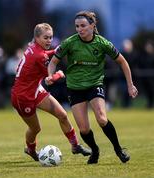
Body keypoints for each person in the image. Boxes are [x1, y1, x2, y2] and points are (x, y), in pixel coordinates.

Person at [46, 11, 138, 164]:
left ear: (92, 25)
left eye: (83, 26)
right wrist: (50, 75)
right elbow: (53, 61)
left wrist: (130, 84)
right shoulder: (70, 42)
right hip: (74, 88)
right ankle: (95, 151)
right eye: (77, 26)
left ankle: (118, 149)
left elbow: (123, 62)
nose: (79, 29)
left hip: (94, 85)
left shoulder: (103, 43)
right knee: (83, 129)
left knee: (102, 118)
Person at [11, 23, 91, 162]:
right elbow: (49, 80)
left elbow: (46, 54)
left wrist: (58, 50)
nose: (49, 40)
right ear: (37, 37)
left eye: (50, 37)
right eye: (46, 38)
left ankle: (75, 146)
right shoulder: (39, 56)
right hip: (23, 96)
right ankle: (30, 149)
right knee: (35, 129)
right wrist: (59, 74)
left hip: (35, 89)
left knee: (63, 115)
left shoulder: (34, 48)